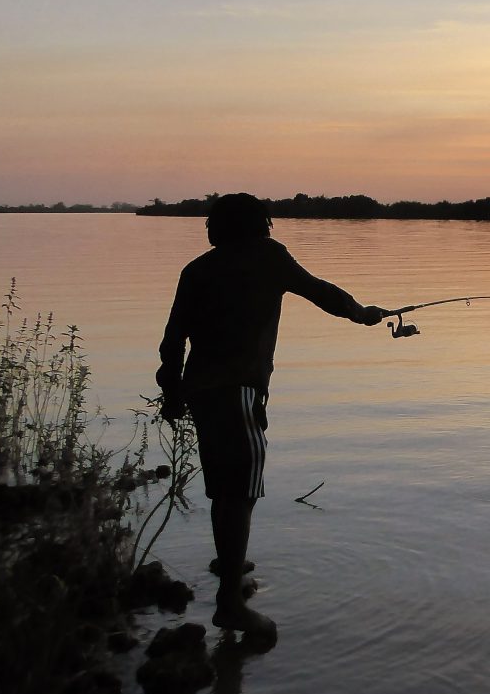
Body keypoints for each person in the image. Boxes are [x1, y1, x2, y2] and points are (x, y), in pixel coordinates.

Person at [157, 193, 386, 640]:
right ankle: (230, 604)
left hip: (200, 392)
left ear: (216, 228)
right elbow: (322, 293)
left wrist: (171, 391)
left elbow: (172, 340)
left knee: (224, 487)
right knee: (240, 492)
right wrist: (362, 314)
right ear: (261, 226)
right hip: (239, 390)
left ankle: (230, 565)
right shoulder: (268, 257)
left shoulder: (196, 270)